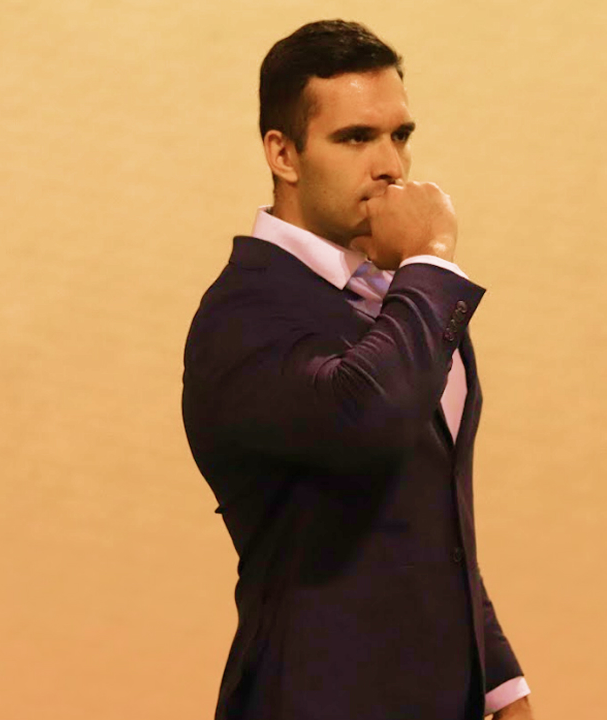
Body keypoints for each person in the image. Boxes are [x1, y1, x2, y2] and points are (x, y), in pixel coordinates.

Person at [182, 19, 534, 720]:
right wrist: (430, 260)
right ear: (283, 153)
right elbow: (367, 419)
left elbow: (428, 515)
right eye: (355, 138)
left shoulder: (397, 297)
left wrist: (502, 684)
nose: (391, 165)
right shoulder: (243, 314)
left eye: (400, 135)